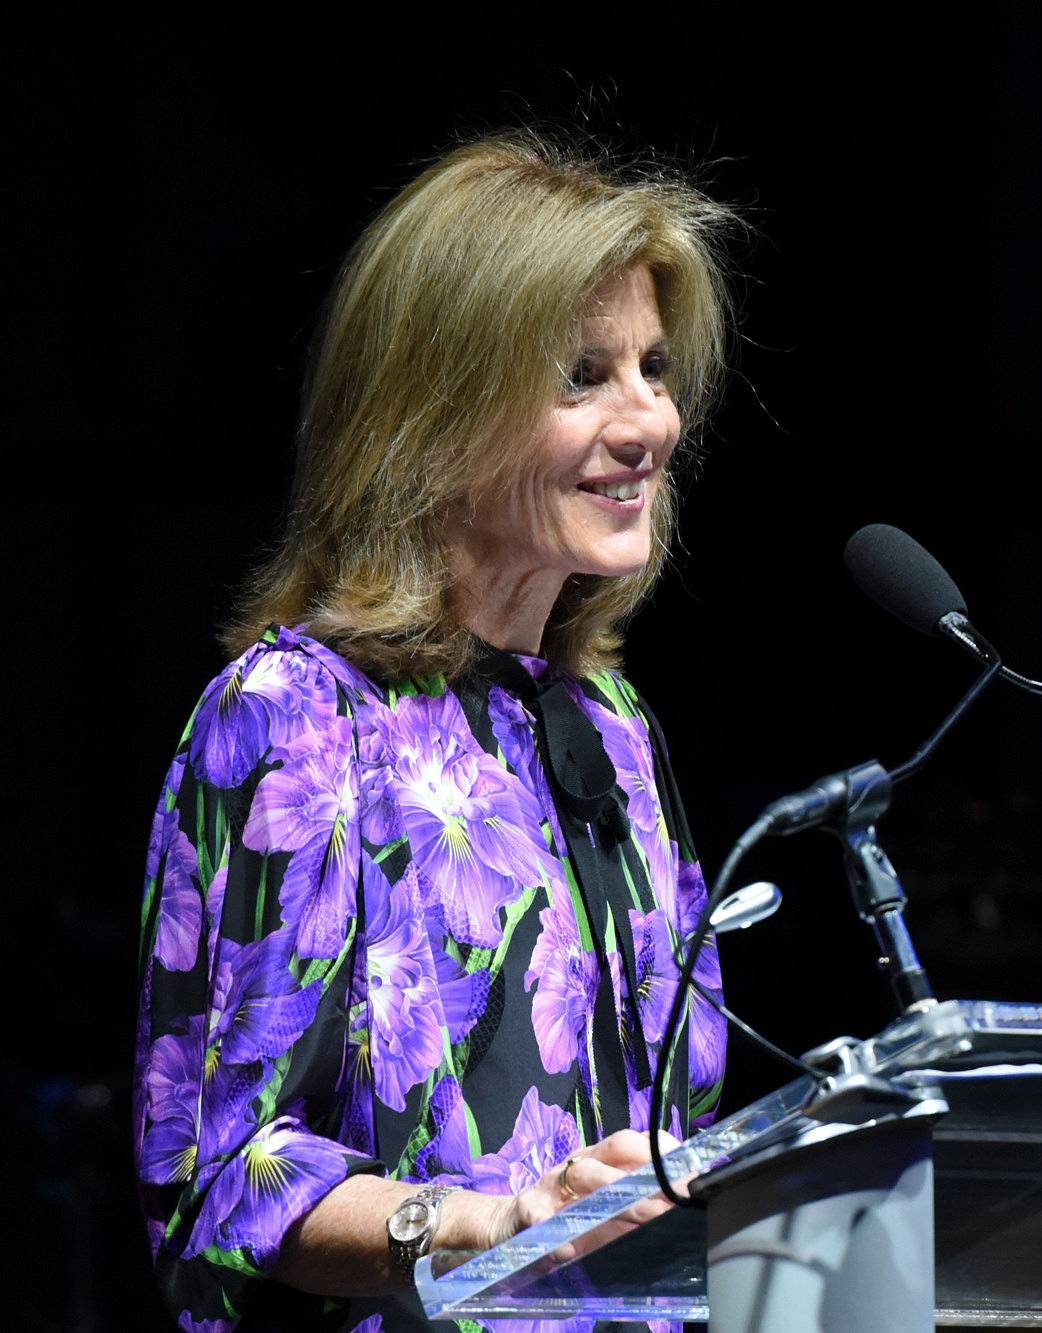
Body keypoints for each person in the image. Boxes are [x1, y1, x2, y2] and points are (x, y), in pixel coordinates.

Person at [133, 130, 737, 1331]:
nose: (650, 422)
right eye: (583, 376)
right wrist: (491, 1226)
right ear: (438, 412)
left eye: (655, 367)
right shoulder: (293, 720)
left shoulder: (608, 724)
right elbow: (222, 1181)